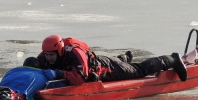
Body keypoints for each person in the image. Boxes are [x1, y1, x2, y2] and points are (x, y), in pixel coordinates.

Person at [37, 35, 188, 86]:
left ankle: (171, 59)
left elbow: (81, 78)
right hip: (100, 62)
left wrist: (58, 73)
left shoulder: (75, 54)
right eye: (47, 55)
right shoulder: (46, 54)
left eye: (52, 55)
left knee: (138, 71)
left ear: (60, 50)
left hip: (104, 68)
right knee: (121, 64)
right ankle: (123, 59)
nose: (49, 58)